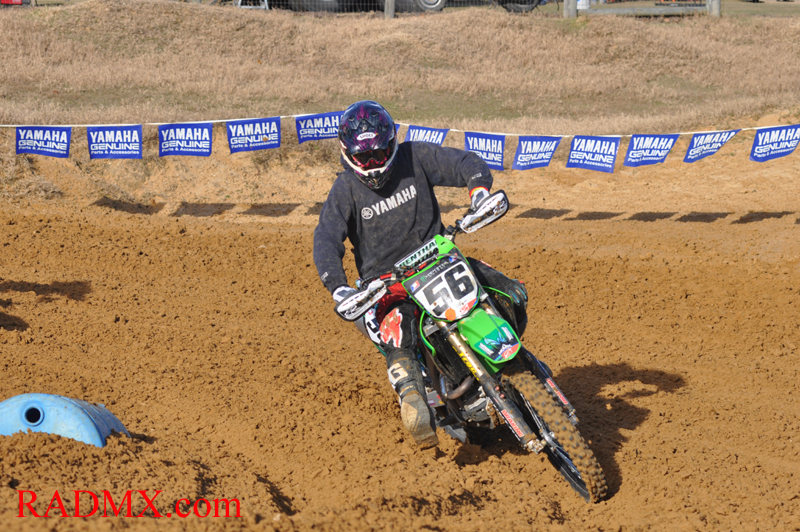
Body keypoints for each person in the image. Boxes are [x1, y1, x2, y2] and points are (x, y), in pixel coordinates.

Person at [313, 101, 527, 449]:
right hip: (387, 285)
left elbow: (463, 162)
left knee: (509, 292)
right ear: (347, 153)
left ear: (392, 143)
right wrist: (339, 288)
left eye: (379, 153)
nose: (374, 163)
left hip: (440, 259)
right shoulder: (345, 190)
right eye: (364, 157)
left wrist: (478, 192)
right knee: (400, 332)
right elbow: (325, 238)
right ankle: (413, 398)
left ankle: (514, 364)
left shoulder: (415, 156)